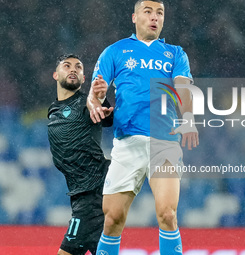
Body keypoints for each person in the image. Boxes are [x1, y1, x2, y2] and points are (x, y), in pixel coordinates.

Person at [87, 1, 199, 254]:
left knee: (167, 214)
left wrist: (188, 116)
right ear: (134, 17)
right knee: (113, 218)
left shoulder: (175, 53)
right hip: (127, 143)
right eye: (148, 12)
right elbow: (94, 93)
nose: (154, 17)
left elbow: (183, 87)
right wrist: (97, 102)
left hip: (164, 142)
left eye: (160, 13)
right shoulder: (115, 52)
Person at [47, 54, 113, 255]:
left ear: (84, 79)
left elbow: (102, 113)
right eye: (67, 66)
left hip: (92, 193)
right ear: (56, 75)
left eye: (78, 67)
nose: (73, 69)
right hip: (80, 193)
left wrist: (100, 98)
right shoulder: (53, 109)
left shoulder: (87, 102)